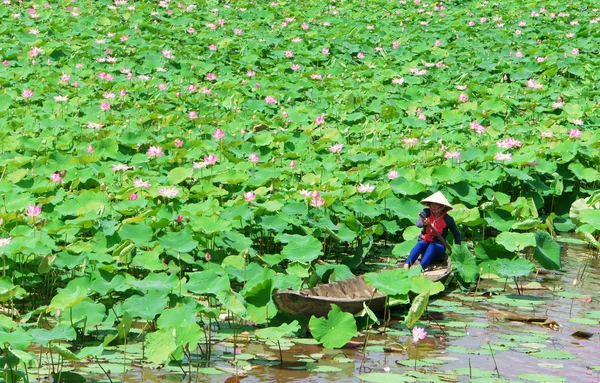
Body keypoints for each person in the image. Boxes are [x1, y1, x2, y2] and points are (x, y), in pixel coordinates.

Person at [403, 192, 461, 270]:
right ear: (429, 205)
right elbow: (418, 224)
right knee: (420, 244)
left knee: (432, 246)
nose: (435, 209)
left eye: (438, 207)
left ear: (442, 207)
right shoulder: (425, 213)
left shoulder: (448, 219)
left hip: (438, 247)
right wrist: (424, 223)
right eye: (433, 206)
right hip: (425, 242)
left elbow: (457, 234)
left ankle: (421, 267)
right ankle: (406, 265)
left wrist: (457, 250)